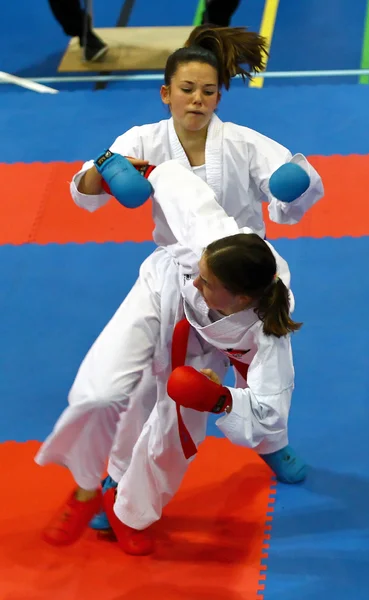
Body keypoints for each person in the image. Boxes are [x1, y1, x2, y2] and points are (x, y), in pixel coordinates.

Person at [36, 24, 323, 541]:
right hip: (172, 276)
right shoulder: (145, 140)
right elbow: (88, 185)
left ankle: (266, 443)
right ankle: (102, 484)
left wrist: (294, 186)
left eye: (208, 91)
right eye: (186, 90)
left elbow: (289, 194)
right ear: (166, 92)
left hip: (239, 283)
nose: (197, 100)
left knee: (228, 387)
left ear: (220, 94)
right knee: (119, 392)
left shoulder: (242, 144)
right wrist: (102, 172)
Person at [37, 161, 304, 555]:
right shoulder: (211, 236)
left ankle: (129, 512)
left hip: (208, 348)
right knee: (101, 394)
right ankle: (87, 487)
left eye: (206, 281)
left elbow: (270, 407)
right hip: (162, 294)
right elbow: (175, 182)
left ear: (242, 299)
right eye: (200, 271)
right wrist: (121, 166)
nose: (197, 281)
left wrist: (222, 399)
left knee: (175, 433)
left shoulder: (267, 332)